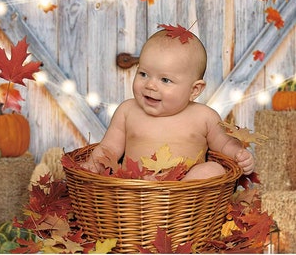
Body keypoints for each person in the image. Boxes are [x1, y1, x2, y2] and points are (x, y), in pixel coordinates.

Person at [81, 29, 254, 180]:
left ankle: (181, 206)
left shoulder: (204, 116)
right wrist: (93, 165)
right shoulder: (127, 111)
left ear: (195, 90)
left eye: (165, 80)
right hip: (136, 188)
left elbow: (224, 144)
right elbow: (109, 147)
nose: (150, 85)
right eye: (143, 74)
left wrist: (239, 155)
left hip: (185, 192)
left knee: (213, 170)